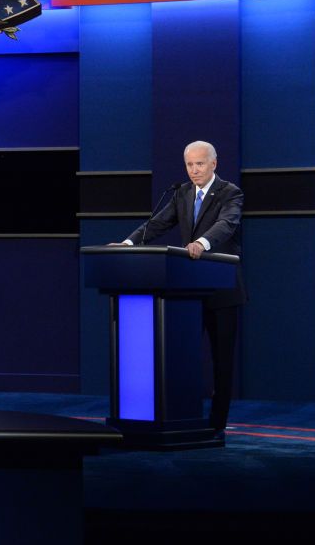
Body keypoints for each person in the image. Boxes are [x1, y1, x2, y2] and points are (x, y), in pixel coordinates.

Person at [115, 140, 245, 432]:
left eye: (200, 164)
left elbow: (227, 224)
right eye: (189, 164)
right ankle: (183, 418)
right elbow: (158, 224)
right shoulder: (182, 193)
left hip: (223, 291)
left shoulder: (230, 193)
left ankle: (216, 425)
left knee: (222, 363)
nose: (194, 170)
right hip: (189, 292)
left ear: (214, 164)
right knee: (183, 356)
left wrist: (201, 242)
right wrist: (128, 243)